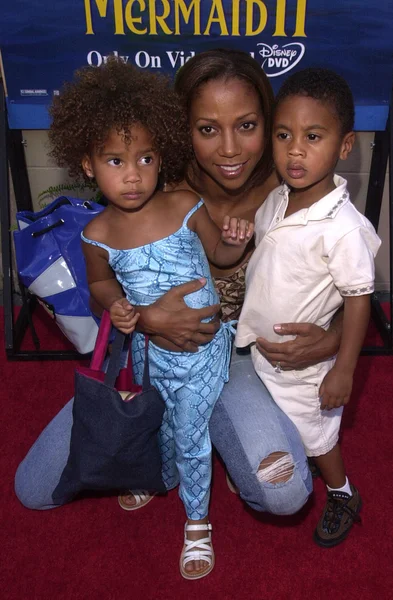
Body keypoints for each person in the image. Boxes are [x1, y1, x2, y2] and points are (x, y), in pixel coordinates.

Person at [15, 50, 342, 563]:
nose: (230, 148)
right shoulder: (151, 192)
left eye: (248, 125)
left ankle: (209, 432)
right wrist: (143, 319)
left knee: (283, 491)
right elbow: (107, 283)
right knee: (33, 487)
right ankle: (187, 434)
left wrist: (338, 334)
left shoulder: (294, 192)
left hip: (236, 361)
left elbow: (341, 277)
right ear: (178, 130)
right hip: (147, 360)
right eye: (207, 128)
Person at [236, 67, 381, 547]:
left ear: (344, 146)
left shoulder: (343, 229)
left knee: (318, 434)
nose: (295, 149)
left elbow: (360, 300)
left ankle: (342, 492)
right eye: (284, 134)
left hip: (305, 366)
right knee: (286, 425)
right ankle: (306, 462)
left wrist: (344, 370)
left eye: (313, 136)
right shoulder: (278, 199)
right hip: (265, 349)